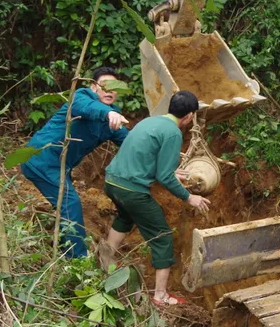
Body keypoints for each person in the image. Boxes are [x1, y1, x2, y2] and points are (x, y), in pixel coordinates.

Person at [102, 91, 211, 306]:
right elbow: (164, 177)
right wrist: (189, 197)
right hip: (131, 190)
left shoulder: (149, 121)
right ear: (189, 116)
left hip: (112, 182)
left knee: (125, 217)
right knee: (162, 238)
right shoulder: (173, 133)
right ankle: (160, 295)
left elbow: (146, 158)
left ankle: (105, 262)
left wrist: (170, 171)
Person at [21, 66, 130, 259]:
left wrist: (165, 165)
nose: (109, 91)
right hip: (40, 159)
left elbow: (132, 144)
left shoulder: (113, 118)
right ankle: (77, 259)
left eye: (114, 88)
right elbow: (87, 108)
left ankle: (63, 243)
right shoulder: (81, 97)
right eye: (104, 85)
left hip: (61, 166)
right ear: (93, 87)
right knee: (69, 203)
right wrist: (108, 113)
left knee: (66, 204)